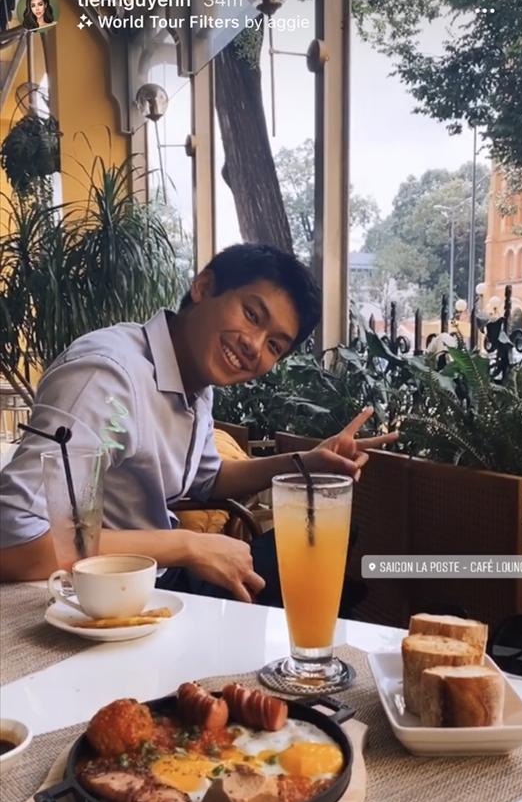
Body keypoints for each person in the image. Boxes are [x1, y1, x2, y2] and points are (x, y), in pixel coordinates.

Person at [0, 244, 397, 601]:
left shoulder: (194, 381)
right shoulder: (107, 378)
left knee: (329, 535)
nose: (254, 345)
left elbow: (208, 479)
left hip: (161, 581)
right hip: (106, 597)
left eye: (274, 345)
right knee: (318, 580)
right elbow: (14, 540)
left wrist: (306, 462)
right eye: (252, 314)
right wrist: (189, 547)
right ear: (203, 287)